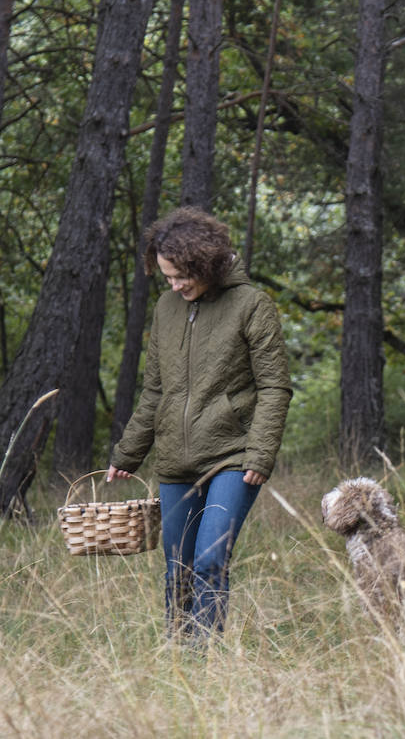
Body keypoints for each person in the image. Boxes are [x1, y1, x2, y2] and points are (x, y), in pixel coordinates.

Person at [107, 206, 291, 641]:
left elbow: (274, 388)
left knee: (210, 558)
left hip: (233, 456)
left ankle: (205, 657)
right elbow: (155, 391)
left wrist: (260, 453)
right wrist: (128, 453)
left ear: (203, 263)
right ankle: (178, 655)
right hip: (175, 461)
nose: (173, 285)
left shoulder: (252, 305)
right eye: (167, 277)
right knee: (178, 568)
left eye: (180, 276)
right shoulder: (166, 309)